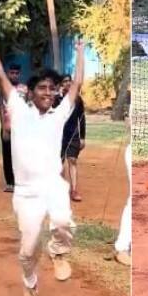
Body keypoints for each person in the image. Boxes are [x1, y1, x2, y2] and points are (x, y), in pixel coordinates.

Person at [0, 15, 85, 296]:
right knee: (28, 248)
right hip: (25, 193)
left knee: (62, 221)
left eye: (52, 89)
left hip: (52, 185)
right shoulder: (19, 110)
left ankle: (59, 253)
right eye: (42, 89)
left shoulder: (60, 115)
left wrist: (82, 51)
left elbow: (76, 86)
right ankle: (30, 284)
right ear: (32, 92)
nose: (48, 93)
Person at [0, 64, 27, 192]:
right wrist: (3, 127)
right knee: (7, 154)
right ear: (8, 73)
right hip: (8, 126)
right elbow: (1, 108)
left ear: (19, 74)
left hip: (21, 127)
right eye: (12, 72)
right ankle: (10, 183)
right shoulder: (3, 88)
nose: (14, 75)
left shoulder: (23, 89)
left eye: (16, 73)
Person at [57, 74, 87, 202]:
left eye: (69, 81)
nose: (68, 84)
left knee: (72, 160)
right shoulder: (56, 100)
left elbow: (82, 118)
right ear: (61, 85)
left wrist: (83, 137)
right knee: (59, 163)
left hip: (73, 135)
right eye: (64, 82)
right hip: (59, 136)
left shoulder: (78, 100)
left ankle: (74, 190)